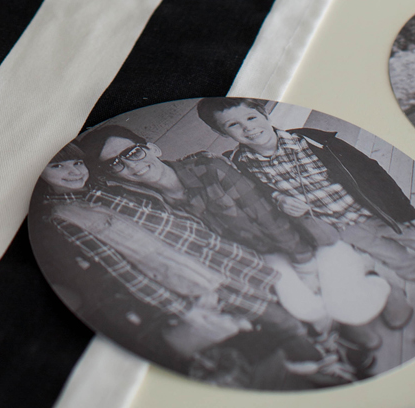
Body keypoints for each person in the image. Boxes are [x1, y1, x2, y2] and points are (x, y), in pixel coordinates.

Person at [37, 138, 354, 387]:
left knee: (287, 308)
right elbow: (119, 270)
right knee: (282, 321)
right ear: (41, 175)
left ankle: (324, 352)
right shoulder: (64, 217)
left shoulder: (106, 187)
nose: (74, 172)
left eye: (76, 162)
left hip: (221, 256)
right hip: (196, 280)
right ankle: (322, 371)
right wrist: (184, 309)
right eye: (59, 168)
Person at [196, 98, 415, 322]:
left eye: (251, 118)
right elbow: (263, 196)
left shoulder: (314, 140)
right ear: (221, 133)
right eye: (233, 125)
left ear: (264, 113)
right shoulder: (243, 164)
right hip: (345, 228)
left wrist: (407, 213)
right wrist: (280, 200)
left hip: (383, 215)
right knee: (400, 261)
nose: (248, 128)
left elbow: (372, 172)